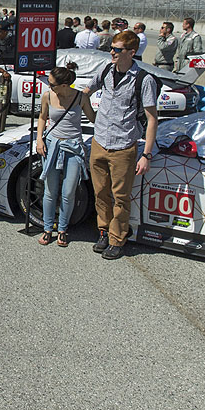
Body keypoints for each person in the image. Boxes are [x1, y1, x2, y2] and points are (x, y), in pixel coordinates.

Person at [84, 30, 158, 260]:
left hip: (123, 146)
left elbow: (152, 118)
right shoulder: (106, 70)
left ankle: (117, 239)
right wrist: (93, 118)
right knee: (100, 193)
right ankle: (103, 232)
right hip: (99, 142)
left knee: (121, 197)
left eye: (117, 49)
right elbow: (86, 93)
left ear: (131, 52)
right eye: (112, 48)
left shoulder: (143, 80)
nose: (112, 53)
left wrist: (146, 154)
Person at [36, 62, 96, 247]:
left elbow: (94, 119)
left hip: (73, 146)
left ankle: (62, 229)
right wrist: (39, 140)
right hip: (52, 145)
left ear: (64, 85)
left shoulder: (80, 97)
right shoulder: (47, 95)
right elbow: (42, 117)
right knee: (50, 191)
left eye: (52, 84)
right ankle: (47, 229)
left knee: (69, 192)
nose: (49, 86)